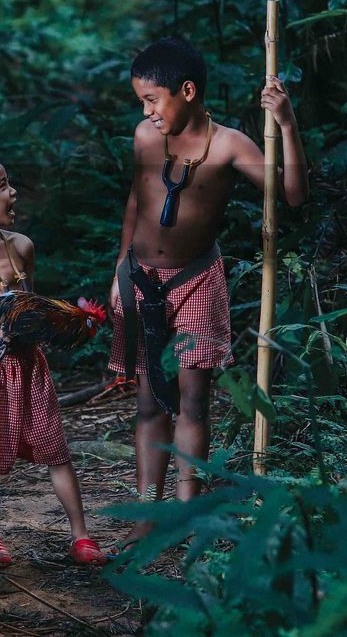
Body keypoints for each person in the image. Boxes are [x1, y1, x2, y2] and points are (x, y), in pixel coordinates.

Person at [108, 37, 308, 549]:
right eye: (142, 103)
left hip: (196, 280)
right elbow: (136, 200)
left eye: (153, 99)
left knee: (194, 401)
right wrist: (119, 271)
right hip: (142, 280)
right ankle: (147, 516)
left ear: (188, 91)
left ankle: (186, 510)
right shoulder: (145, 138)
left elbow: (290, 194)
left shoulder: (231, 146)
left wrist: (285, 122)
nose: (147, 112)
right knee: (151, 402)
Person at [0, 152, 106, 568]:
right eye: (3, 186)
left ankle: (81, 536)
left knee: (55, 447)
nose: (13, 194)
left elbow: (33, 300)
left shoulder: (22, 247)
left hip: (29, 365)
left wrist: (57, 322)